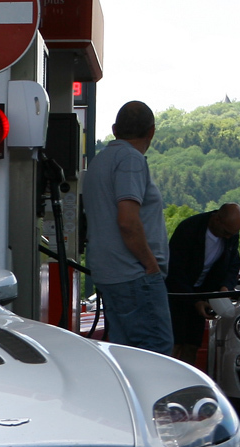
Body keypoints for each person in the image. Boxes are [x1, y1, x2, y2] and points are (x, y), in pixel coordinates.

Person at [80, 101, 173, 355]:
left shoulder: (100, 162)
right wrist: (150, 264)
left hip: (108, 273)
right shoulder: (131, 160)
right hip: (134, 275)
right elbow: (128, 221)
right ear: (151, 132)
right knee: (155, 352)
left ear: (114, 129)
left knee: (126, 355)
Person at [164, 203, 240, 363]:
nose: (228, 237)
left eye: (232, 234)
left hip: (204, 293)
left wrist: (225, 288)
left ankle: (188, 380)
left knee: (192, 345)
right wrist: (194, 300)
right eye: (226, 232)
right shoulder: (189, 229)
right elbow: (175, 271)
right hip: (177, 294)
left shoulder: (231, 236)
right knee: (174, 344)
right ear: (216, 219)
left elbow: (234, 264)